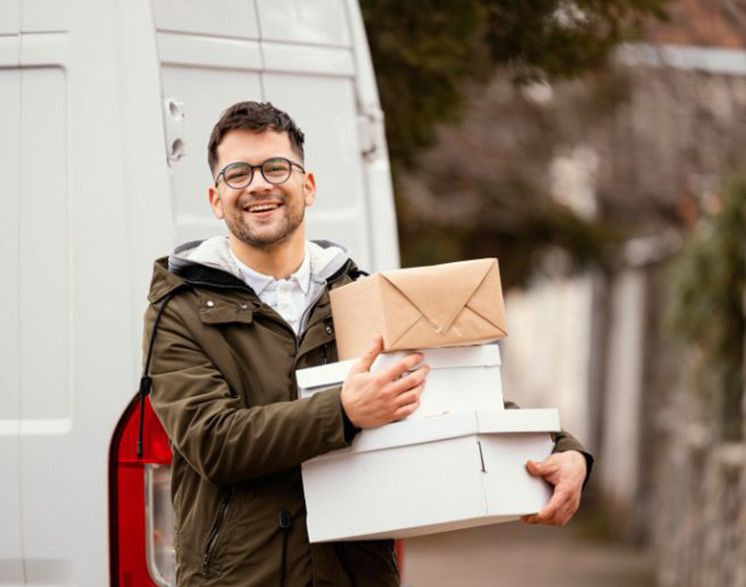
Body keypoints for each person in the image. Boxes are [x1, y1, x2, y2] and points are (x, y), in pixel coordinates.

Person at [143, 101, 592, 587]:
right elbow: (213, 442)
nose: (258, 185)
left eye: (276, 167)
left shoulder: (359, 295)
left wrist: (563, 450)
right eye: (238, 174)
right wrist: (343, 412)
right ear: (215, 199)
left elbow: (448, 394)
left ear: (307, 186)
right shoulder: (179, 309)